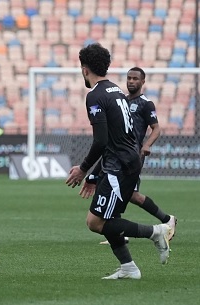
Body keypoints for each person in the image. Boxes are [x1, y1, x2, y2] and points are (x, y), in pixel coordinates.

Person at [65, 43, 171, 280]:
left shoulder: (95, 96)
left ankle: (156, 231)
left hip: (119, 166)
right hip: (126, 162)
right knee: (109, 218)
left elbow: (101, 140)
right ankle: (129, 268)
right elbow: (117, 138)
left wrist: (83, 170)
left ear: (85, 70)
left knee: (94, 222)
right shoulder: (115, 90)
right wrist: (94, 175)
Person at [95, 67, 176, 245]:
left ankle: (167, 219)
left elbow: (156, 128)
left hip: (133, 156)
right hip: (118, 154)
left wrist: (146, 145)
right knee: (121, 191)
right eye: (129, 78)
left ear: (143, 82)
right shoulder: (121, 101)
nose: (131, 81)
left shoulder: (146, 104)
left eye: (135, 79)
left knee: (131, 194)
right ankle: (116, 231)